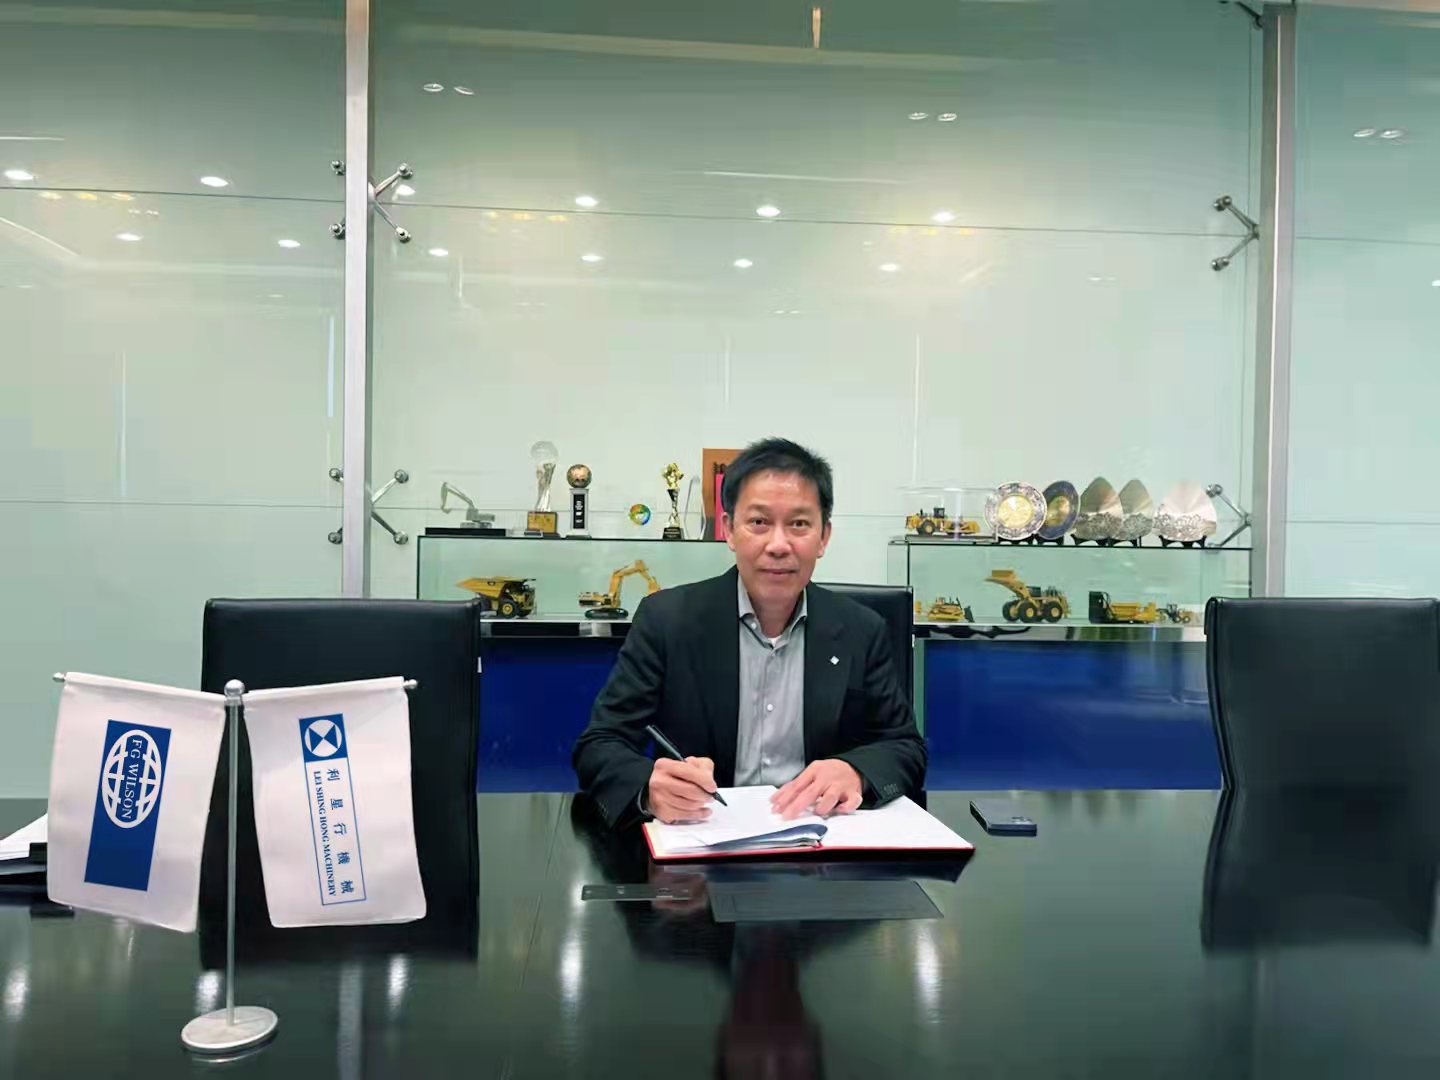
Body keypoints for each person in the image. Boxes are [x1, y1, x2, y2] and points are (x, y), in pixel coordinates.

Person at [572, 437, 926, 828]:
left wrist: (855, 771)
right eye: (759, 522)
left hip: (822, 842)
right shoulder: (668, 621)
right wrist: (648, 787)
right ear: (728, 529)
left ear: (824, 536)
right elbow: (599, 745)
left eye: (799, 524)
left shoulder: (861, 629)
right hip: (705, 841)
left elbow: (904, 747)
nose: (778, 545)